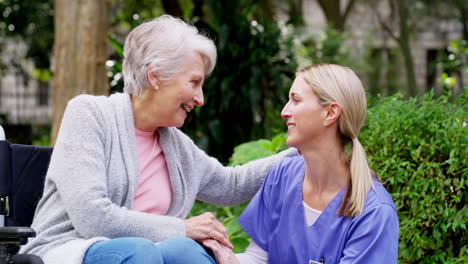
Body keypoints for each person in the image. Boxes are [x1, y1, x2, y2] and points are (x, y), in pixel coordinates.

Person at [19, 15, 295, 264]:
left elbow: (231, 185)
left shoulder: (175, 144)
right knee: (143, 252)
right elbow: (93, 217)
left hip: (147, 253)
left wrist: (303, 150)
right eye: (194, 83)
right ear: (156, 76)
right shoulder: (89, 114)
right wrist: (183, 228)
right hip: (71, 250)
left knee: (185, 252)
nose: (200, 99)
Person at [202, 64, 399, 263]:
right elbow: (259, 258)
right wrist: (228, 259)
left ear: (330, 113)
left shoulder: (374, 212)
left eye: (296, 100)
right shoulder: (281, 177)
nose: (284, 112)